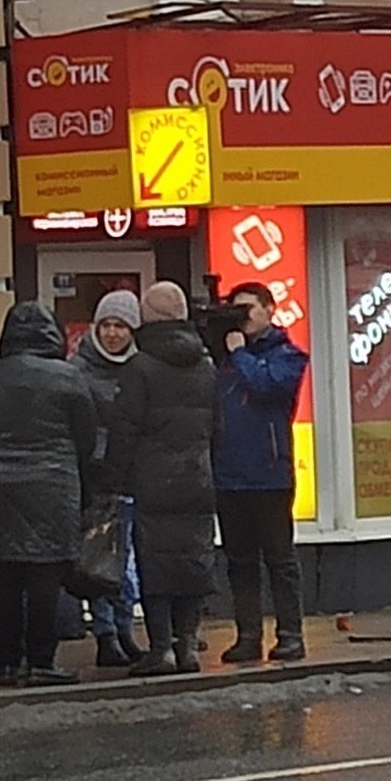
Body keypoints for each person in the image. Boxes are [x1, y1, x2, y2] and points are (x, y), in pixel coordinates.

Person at [0, 303, 98, 687]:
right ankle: (41, 661)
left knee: (1, 579)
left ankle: (6, 662)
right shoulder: (69, 378)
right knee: (44, 581)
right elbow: (86, 442)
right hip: (52, 489)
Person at [108, 282, 220, 676]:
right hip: (198, 478)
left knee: (156, 566)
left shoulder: (139, 367)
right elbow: (218, 427)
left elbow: (124, 430)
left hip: (153, 481)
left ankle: (161, 650)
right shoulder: (205, 365)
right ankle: (187, 646)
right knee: (193, 562)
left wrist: (113, 481)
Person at [214, 280, 309, 665]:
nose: (244, 318)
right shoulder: (224, 358)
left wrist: (239, 354)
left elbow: (268, 385)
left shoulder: (287, 355)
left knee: (279, 560)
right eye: (236, 311)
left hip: (269, 475)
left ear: (269, 310)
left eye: (249, 309)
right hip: (229, 475)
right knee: (240, 562)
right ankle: (248, 636)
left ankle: (290, 635)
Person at [71, 290, 145, 665]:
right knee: (98, 559)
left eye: (121, 326)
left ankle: (124, 627)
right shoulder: (78, 369)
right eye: (107, 325)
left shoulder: (141, 369)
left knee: (125, 559)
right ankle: (105, 634)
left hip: (132, 475)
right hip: (94, 478)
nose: (113, 333)